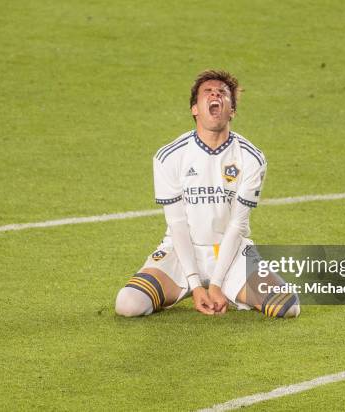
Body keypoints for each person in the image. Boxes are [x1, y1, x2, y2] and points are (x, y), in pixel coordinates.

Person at [115, 69, 300, 318]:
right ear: (195, 109)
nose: (215, 94)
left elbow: (238, 224)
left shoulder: (251, 157)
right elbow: (177, 223)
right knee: (128, 304)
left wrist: (215, 283)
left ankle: (224, 287)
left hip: (230, 253)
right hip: (181, 252)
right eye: (208, 92)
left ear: (232, 110)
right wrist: (195, 283)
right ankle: (186, 289)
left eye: (222, 92)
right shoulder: (169, 156)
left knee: (288, 308)